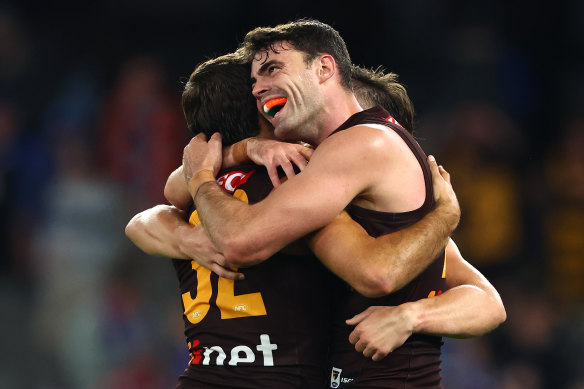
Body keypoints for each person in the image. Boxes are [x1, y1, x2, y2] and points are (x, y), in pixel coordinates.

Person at [127, 47, 503, 388]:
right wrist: (446, 214)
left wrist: (187, 232)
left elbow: (148, 216)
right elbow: (377, 271)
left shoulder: (200, 192)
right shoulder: (291, 191)